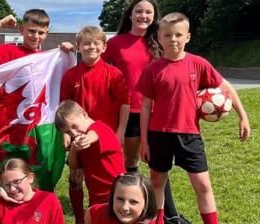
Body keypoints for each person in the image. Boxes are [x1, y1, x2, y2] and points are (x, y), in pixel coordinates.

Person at [136, 12, 250, 224]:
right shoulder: (153, 69)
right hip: (159, 134)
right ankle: (159, 221)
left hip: (189, 134)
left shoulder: (198, 63)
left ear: (188, 36)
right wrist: (144, 141)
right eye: (168, 35)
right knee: (157, 181)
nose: (173, 39)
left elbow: (225, 87)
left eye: (178, 34)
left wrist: (242, 116)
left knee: (203, 185)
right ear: (160, 38)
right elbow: (145, 106)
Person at [102, 1, 189, 223]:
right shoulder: (115, 44)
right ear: (130, 15)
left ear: (154, 16)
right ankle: (129, 210)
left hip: (158, 112)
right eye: (138, 11)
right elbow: (95, 64)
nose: (143, 15)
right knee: (131, 161)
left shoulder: (160, 41)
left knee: (158, 164)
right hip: (129, 111)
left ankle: (170, 215)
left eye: (148, 12)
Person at [60, 25, 130, 224]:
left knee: (107, 178)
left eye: (96, 43)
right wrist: (66, 134)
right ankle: (81, 219)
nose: (91, 47)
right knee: (76, 178)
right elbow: (64, 105)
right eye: (86, 43)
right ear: (78, 47)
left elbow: (125, 103)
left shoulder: (114, 73)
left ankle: (114, 212)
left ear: (104, 47)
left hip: (105, 137)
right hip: (78, 136)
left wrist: (120, 132)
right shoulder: (71, 75)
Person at [55, 100, 126, 213]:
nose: (73, 133)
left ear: (83, 114)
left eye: (74, 126)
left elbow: (94, 135)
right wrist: (74, 148)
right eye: (68, 132)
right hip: (96, 197)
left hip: (116, 193)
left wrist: (85, 140)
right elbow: (74, 166)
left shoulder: (100, 128)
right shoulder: (80, 140)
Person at [0, 158, 64, 224]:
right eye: (7, 185)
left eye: (17, 181)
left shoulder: (48, 199)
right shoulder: (3, 202)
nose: (12, 189)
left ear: (30, 178)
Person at [0, 9, 73, 68]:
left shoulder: (47, 58)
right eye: (31, 31)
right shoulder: (10, 51)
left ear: (46, 33)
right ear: (22, 30)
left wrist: (68, 52)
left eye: (41, 32)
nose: (36, 36)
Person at [85, 174, 157, 224]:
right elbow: (91, 212)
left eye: (133, 202)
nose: (124, 207)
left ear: (146, 204)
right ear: (112, 197)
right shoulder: (98, 214)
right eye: (120, 199)